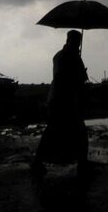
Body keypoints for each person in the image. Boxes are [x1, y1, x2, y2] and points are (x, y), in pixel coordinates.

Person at [31, 30, 89, 177]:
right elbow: (61, 78)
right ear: (69, 40)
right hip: (59, 101)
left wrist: (79, 70)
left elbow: (82, 79)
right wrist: (76, 72)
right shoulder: (61, 57)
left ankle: (82, 164)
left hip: (67, 101)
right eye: (75, 42)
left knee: (76, 133)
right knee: (55, 132)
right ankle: (38, 162)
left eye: (78, 42)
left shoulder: (73, 57)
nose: (77, 45)